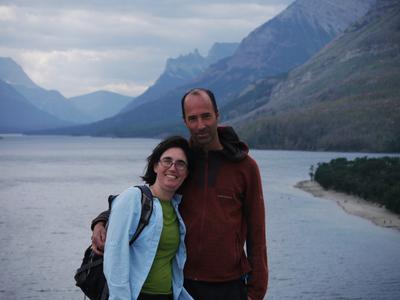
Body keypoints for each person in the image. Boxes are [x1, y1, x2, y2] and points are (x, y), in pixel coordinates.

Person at [92, 88, 268, 300]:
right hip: (182, 285)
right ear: (185, 121)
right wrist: (101, 221)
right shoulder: (182, 164)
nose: (200, 125)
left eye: (206, 116)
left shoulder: (245, 167)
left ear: (217, 115)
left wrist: (256, 291)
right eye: (192, 118)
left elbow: (257, 234)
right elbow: (144, 196)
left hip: (229, 286)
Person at [103, 136, 194, 300]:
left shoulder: (176, 208)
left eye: (180, 163)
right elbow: (114, 256)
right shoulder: (133, 198)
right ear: (155, 166)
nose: (173, 168)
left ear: (186, 173)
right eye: (167, 161)